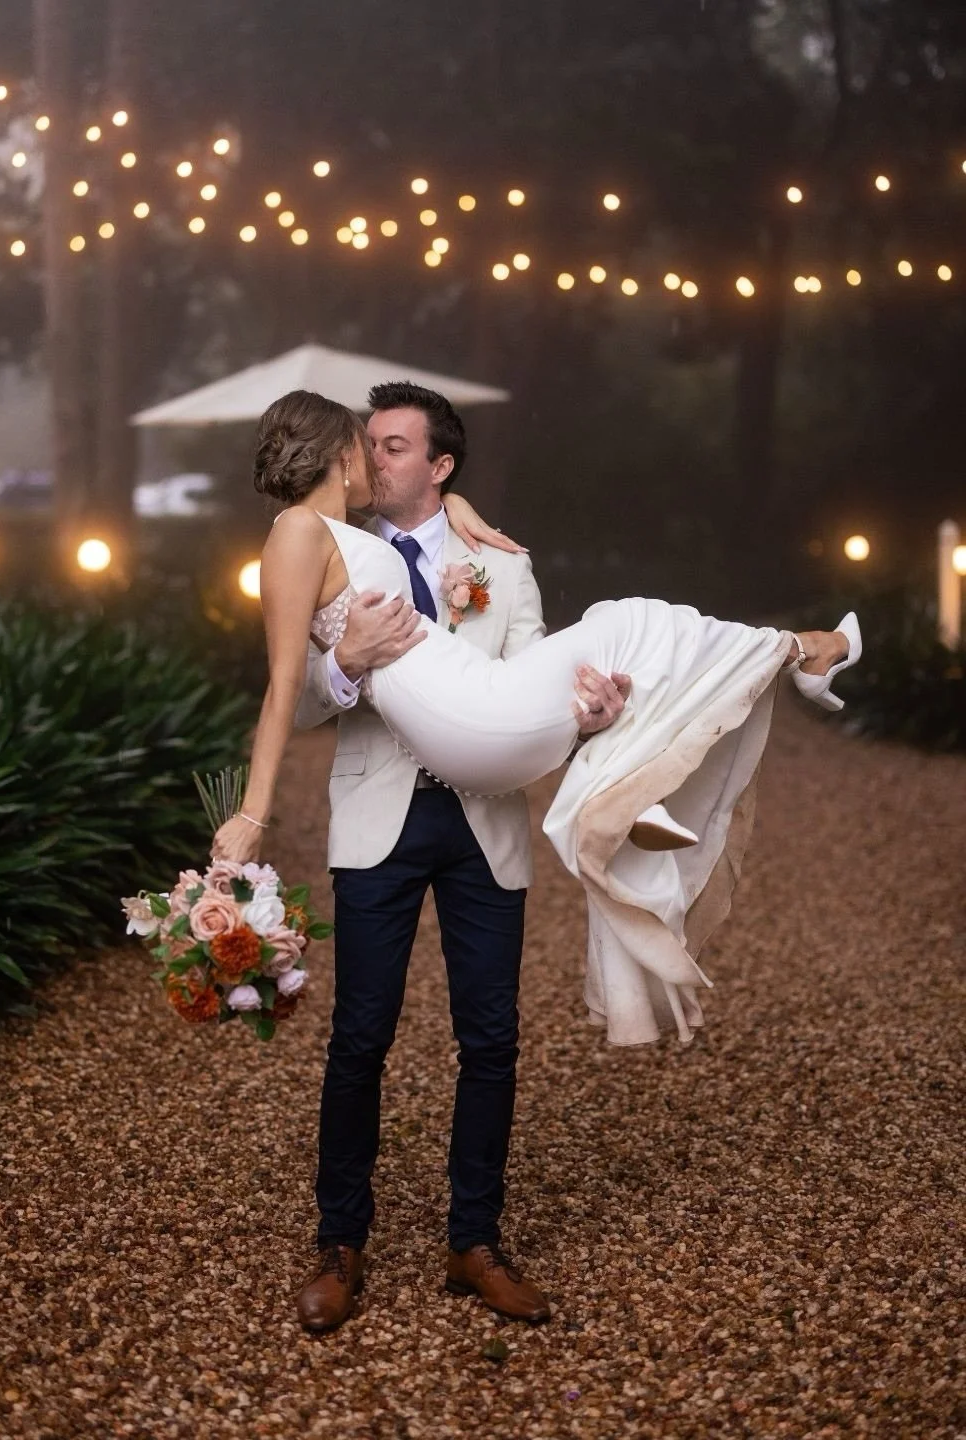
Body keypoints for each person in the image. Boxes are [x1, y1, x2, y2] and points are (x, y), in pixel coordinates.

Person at [211, 386, 860, 1333]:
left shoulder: (498, 559)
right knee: (360, 1039)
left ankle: (474, 1243)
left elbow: (534, 666)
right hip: (382, 818)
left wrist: (590, 714)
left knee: (493, 1040)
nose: (376, 457)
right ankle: (339, 1243)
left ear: (439, 468)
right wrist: (340, 666)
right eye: (367, 443)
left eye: (395, 446)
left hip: (485, 813)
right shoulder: (313, 539)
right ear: (339, 454)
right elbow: (293, 693)